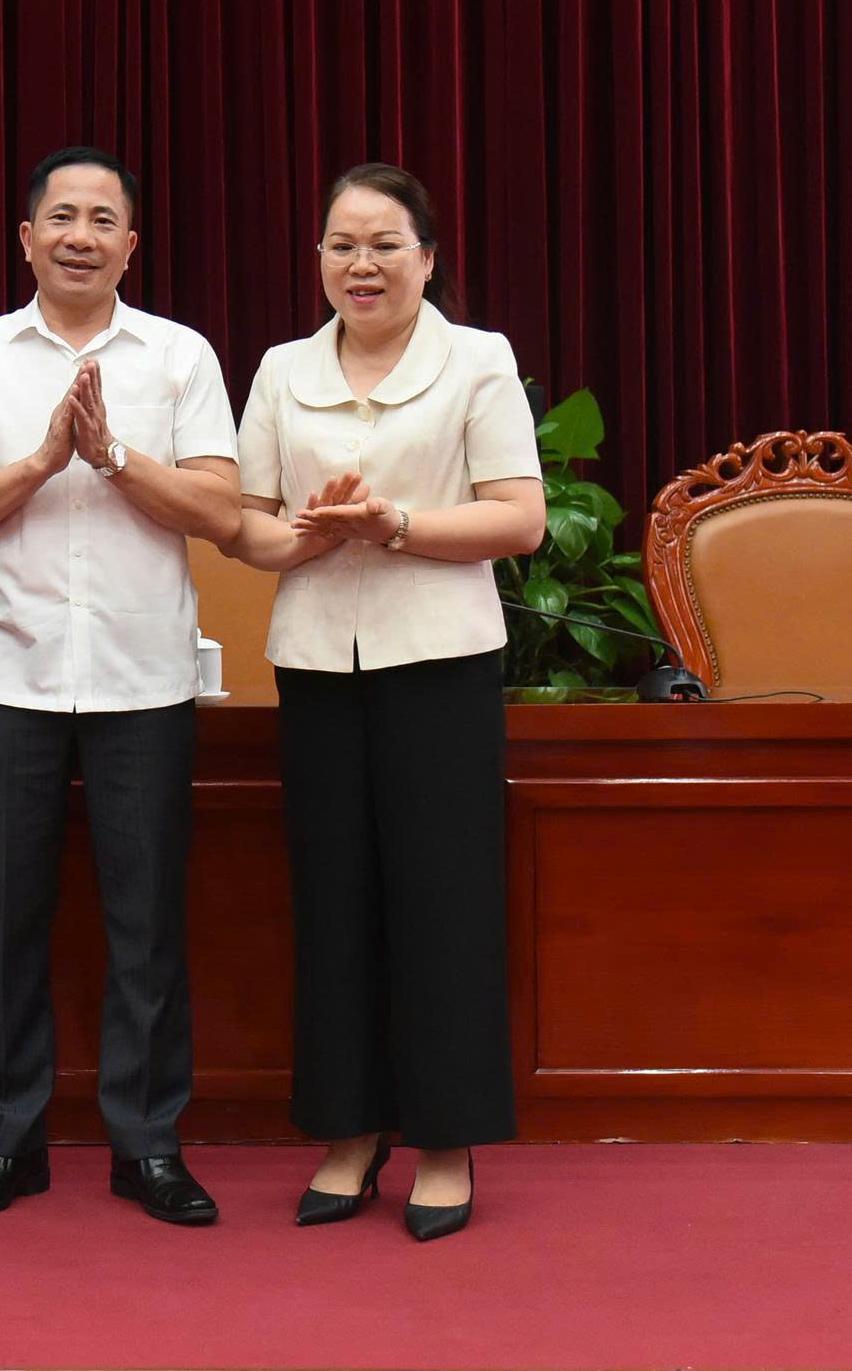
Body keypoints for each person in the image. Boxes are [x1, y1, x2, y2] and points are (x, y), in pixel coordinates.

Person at [0, 146, 241, 1223]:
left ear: (130, 245)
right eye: (61, 216)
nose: (81, 235)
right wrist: (44, 459)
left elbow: (221, 513)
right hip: (10, 675)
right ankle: (4, 1142)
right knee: (6, 920)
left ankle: (148, 1144)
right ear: (26, 238)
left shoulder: (180, 357)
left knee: (145, 925)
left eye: (104, 219)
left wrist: (113, 457)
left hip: (144, 678)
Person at [222, 162, 544, 1242]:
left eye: (383, 244)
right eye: (340, 246)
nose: (360, 265)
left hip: (439, 667)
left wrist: (393, 524)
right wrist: (313, 533)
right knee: (334, 903)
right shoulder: (278, 369)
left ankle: (444, 1142)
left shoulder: (477, 362)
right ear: (317, 261)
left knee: (442, 906)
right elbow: (249, 529)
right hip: (317, 666)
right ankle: (348, 1133)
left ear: (427, 256)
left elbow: (517, 521)